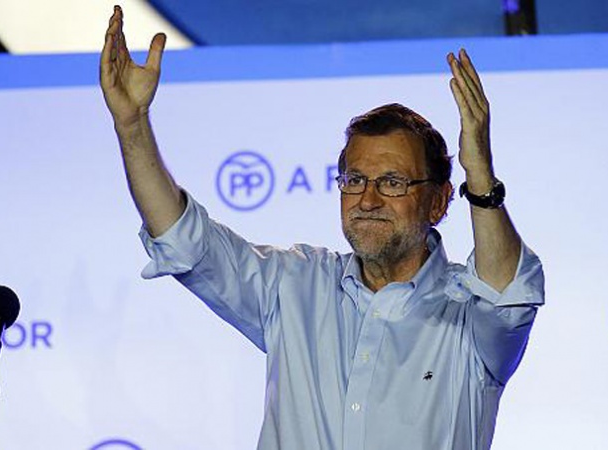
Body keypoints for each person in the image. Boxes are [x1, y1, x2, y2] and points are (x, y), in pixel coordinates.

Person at [100, 5, 544, 450]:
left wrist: (480, 176)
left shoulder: (468, 315)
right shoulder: (294, 285)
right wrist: (132, 125)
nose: (367, 200)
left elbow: (507, 295)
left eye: (392, 182)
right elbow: (184, 240)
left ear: (439, 200)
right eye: (354, 180)